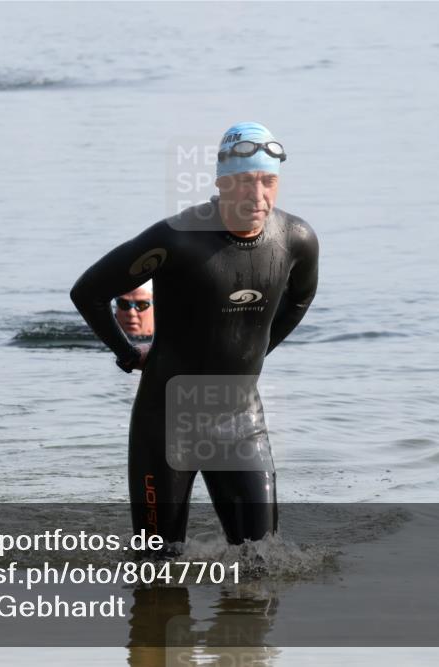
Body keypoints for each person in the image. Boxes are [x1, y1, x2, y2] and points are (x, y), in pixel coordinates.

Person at [70, 121, 318, 548]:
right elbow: (88, 292)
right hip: (167, 423)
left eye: (268, 181)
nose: (258, 196)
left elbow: (298, 302)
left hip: (241, 421)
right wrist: (129, 354)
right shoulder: (177, 238)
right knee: (158, 565)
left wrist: (253, 354)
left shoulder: (296, 239)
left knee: (265, 561)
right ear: (222, 183)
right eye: (244, 182)